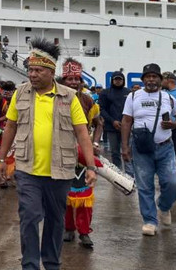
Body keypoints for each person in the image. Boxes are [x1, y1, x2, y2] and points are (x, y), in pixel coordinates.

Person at [0, 38, 97, 270]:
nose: (32, 74)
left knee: (55, 221)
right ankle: (30, 265)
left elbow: (82, 133)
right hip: (27, 169)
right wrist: (2, 159)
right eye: (30, 69)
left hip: (60, 172)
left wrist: (91, 167)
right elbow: (10, 127)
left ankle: (52, 264)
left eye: (38, 70)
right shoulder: (20, 93)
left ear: (51, 71)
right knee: (30, 217)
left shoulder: (68, 97)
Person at [121, 63, 176, 236]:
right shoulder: (133, 97)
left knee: (173, 184)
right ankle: (149, 221)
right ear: (143, 79)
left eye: (155, 76)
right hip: (141, 148)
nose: (151, 79)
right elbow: (126, 121)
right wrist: (125, 147)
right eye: (148, 76)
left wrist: (175, 124)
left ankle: (164, 206)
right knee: (145, 186)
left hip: (165, 147)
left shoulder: (168, 98)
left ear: (161, 80)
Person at [59, 58, 103, 249]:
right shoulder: (56, 98)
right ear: (63, 80)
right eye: (69, 79)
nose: (73, 82)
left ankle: (84, 232)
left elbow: (98, 123)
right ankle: (68, 228)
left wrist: (93, 143)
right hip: (61, 151)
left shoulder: (87, 100)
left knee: (85, 196)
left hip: (83, 151)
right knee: (65, 195)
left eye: (76, 79)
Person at [99, 71, 133, 176]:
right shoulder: (105, 92)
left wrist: (127, 123)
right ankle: (118, 174)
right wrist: (112, 121)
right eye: (116, 79)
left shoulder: (129, 92)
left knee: (127, 150)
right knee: (115, 152)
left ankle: (129, 175)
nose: (118, 81)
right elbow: (102, 109)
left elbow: (132, 109)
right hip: (111, 126)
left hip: (126, 127)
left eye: (120, 79)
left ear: (123, 80)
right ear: (112, 80)